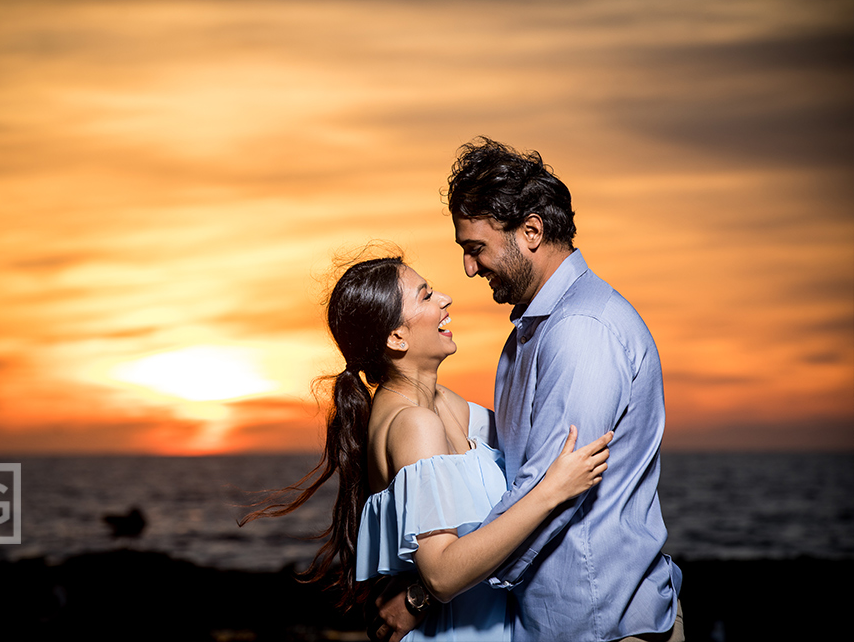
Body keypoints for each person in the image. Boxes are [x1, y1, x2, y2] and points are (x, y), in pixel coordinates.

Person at [370, 138, 683, 642]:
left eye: (476, 249)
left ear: (531, 231)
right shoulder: (530, 334)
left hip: (603, 626)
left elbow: (546, 496)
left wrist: (426, 594)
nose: (470, 269)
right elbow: (494, 457)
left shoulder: (581, 330)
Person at [241, 253, 613, 641]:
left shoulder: (446, 403)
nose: (445, 299)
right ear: (396, 338)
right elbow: (442, 574)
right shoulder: (413, 425)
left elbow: (531, 433)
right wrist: (551, 492)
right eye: (426, 296)